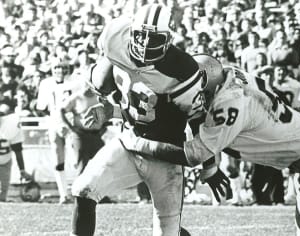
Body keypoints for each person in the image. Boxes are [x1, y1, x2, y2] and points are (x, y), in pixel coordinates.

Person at [123, 54, 300, 236]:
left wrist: (140, 144)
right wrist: (210, 168)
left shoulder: (228, 104)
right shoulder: (227, 76)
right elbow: (198, 119)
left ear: (206, 85)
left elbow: (193, 154)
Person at [70, 4, 230, 236]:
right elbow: (111, 82)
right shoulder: (116, 38)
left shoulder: (182, 69)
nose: (144, 44)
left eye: (153, 38)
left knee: (167, 232)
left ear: (168, 39)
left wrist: (210, 167)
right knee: (83, 190)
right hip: (127, 142)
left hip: (164, 155)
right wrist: (109, 106)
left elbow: (197, 120)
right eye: (140, 36)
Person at [36, 58, 75, 204]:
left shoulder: (75, 81)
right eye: (57, 68)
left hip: (72, 123)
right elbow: (41, 107)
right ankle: (63, 194)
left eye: (63, 68)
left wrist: (68, 121)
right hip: (54, 123)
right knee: (58, 160)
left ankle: (81, 191)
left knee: (78, 158)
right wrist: (55, 120)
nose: (60, 71)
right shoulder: (46, 84)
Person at [0, 102, 32, 202]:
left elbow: (17, 150)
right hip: (5, 159)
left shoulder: (10, 125)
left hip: (5, 161)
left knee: (2, 195)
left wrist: (22, 170)